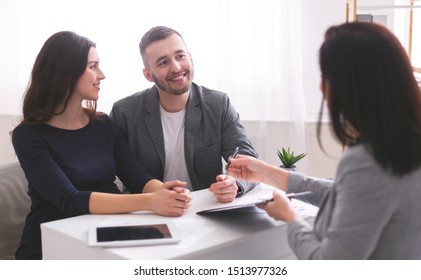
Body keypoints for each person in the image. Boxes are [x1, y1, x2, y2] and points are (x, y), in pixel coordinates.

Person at [227, 22, 421, 259]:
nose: (321, 85)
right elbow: (354, 195)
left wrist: (290, 217)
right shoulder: (402, 142)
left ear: (351, 85)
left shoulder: (367, 160)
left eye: (325, 74)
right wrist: (268, 173)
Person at [11, 31, 192, 260]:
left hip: (106, 235)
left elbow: (136, 177)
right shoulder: (28, 136)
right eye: (93, 66)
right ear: (66, 73)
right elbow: (71, 200)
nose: (102, 75)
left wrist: (165, 191)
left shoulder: (103, 124)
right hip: (52, 245)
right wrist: (150, 201)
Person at [110, 26, 258, 203]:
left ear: (190, 58)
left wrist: (234, 183)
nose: (176, 67)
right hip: (147, 211)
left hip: (203, 208)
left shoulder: (218, 104)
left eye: (180, 56)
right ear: (148, 75)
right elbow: (111, 170)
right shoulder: (124, 112)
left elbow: (246, 156)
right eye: (163, 62)